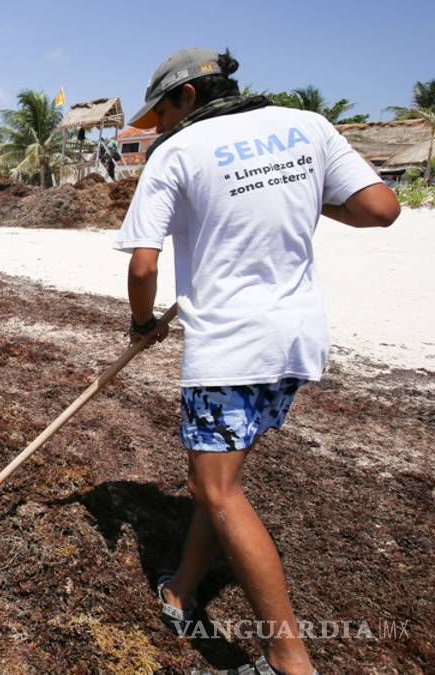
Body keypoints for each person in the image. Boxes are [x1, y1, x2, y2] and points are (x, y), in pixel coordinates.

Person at [115, 48, 399, 675]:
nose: (157, 126)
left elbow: (142, 264)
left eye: (160, 111)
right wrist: (291, 198)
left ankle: (287, 656)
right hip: (296, 341)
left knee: (214, 488)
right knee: (219, 485)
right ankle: (182, 591)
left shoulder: (178, 153)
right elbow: (380, 208)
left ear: (187, 96)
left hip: (230, 347)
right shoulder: (308, 126)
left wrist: (140, 324)